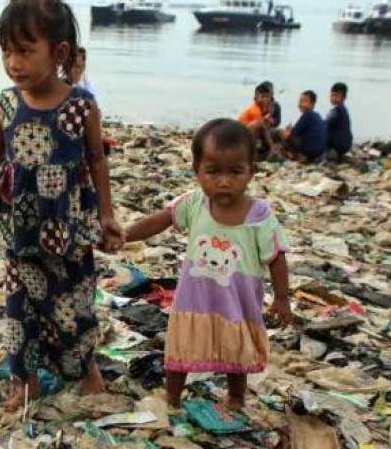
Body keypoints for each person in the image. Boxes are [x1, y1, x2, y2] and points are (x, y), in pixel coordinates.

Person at [0, 0, 124, 411]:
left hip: (68, 225)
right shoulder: (7, 102)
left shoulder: (81, 105)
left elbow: (97, 160)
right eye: (6, 51)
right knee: (20, 307)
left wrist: (107, 216)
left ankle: (85, 368)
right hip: (20, 227)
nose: (13, 63)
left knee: (74, 303)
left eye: (24, 51)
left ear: (58, 52)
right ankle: (25, 380)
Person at [125, 119, 292, 410]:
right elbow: (158, 221)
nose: (224, 181)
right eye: (213, 171)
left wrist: (281, 297)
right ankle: (172, 398)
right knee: (180, 349)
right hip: (194, 301)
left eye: (235, 172)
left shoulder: (259, 215)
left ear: (251, 171)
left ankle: (236, 396)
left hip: (236, 304)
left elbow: (277, 258)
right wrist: (124, 235)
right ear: (197, 171)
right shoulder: (194, 204)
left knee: (236, 352)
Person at [279, 90, 327, 162]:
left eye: (305, 101)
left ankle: (299, 156)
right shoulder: (317, 115)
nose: (301, 104)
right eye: (300, 101)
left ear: (312, 104)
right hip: (320, 151)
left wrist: (287, 130)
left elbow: (293, 132)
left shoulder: (307, 114)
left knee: (282, 132)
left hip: (310, 150)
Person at [239, 82, 275, 158]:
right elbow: (262, 127)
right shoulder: (254, 109)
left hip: (248, 133)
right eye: (262, 97)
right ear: (256, 97)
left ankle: (266, 150)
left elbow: (267, 126)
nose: (265, 99)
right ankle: (253, 153)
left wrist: (269, 118)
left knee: (263, 126)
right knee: (258, 124)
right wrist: (271, 146)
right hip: (241, 136)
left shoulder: (264, 109)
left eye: (267, 97)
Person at [325, 82, 352, 158]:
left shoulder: (337, 110)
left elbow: (325, 124)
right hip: (346, 145)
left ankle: (330, 152)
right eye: (332, 95)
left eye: (336, 96)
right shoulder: (344, 109)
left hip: (339, 145)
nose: (333, 98)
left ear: (344, 97)